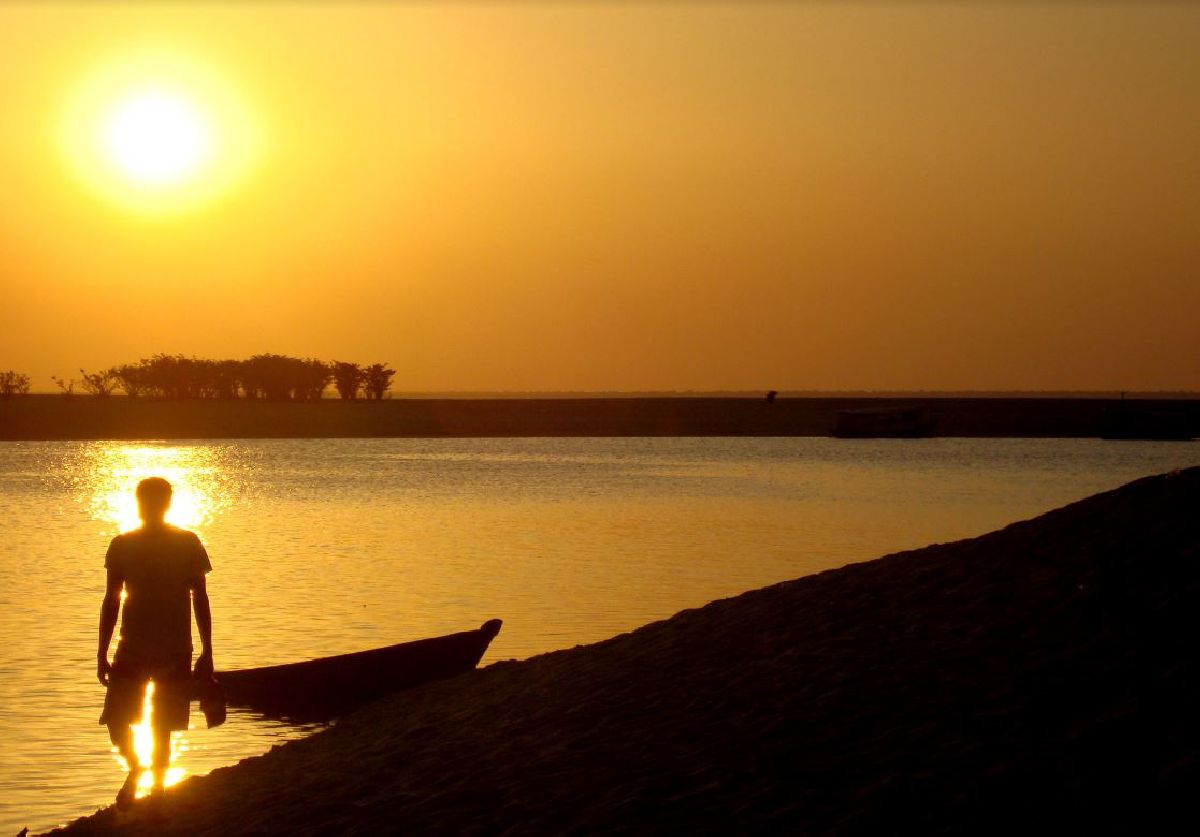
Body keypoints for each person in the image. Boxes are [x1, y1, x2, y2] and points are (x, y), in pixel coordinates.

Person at [96, 476, 213, 808]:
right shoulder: (122, 544)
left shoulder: (188, 542)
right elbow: (111, 600)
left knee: (162, 726)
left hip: (175, 648)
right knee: (117, 721)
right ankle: (135, 770)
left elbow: (200, 599)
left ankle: (159, 794)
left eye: (156, 500)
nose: (150, 506)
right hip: (131, 648)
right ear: (138, 502)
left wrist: (207, 650)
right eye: (146, 500)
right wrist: (102, 652)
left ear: (167, 503)